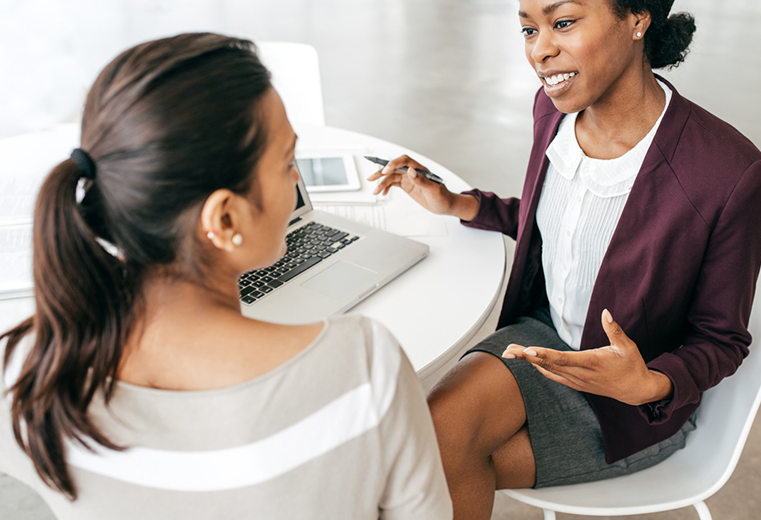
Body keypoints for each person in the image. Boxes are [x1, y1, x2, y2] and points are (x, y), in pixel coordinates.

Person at [368, 0, 761, 518]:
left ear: (637, 18)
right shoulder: (554, 110)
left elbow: (721, 339)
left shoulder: (729, 173)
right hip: (541, 338)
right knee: (419, 450)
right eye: (529, 29)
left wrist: (649, 385)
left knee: (424, 461)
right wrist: (459, 204)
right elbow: (559, 224)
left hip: (627, 402)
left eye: (562, 23)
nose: (539, 50)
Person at [0, 33, 452, 520]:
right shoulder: (364, 367)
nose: (297, 181)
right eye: (286, 164)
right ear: (226, 220)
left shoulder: (28, 370)